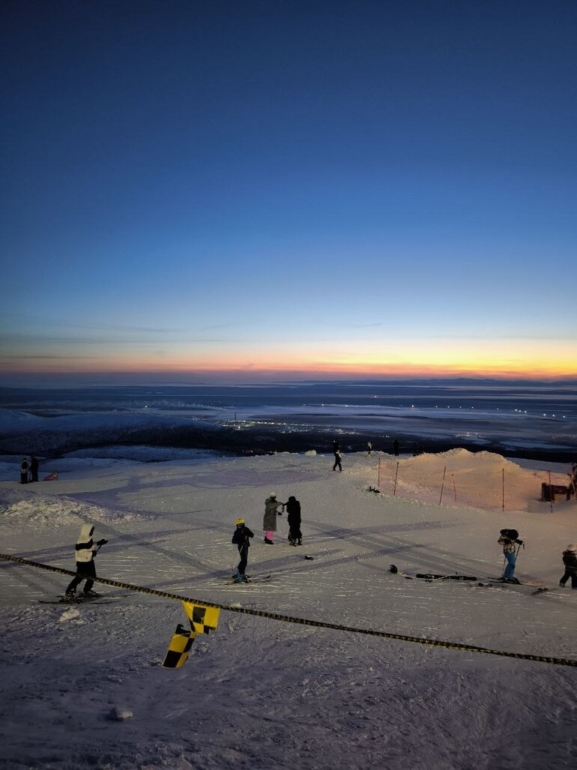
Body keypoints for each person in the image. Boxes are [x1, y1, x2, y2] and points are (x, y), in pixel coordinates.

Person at [65, 524, 108, 598]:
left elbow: (89, 547)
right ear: (86, 530)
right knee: (79, 577)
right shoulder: (81, 540)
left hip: (89, 561)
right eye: (91, 530)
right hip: (82, 562)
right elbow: (81, 553)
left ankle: (87, 590)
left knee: (92, 576)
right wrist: (92, 553)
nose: (92, 532)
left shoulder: (87, 538)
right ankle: (69, 592)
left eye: (92, 530)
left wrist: (98, 543)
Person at [232, 518, 254, 583]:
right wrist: (240, 541)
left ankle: (241, 573)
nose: (239, 526)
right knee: (244, 560)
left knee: (244, 560)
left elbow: (252, 535)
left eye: (240, 524)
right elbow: (233, 540)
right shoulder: (237, 532)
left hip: (246, 546)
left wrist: (248, 533)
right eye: (238, 525)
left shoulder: (245, 529)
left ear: (243, 524)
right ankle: (239, 574)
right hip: (241, 546)